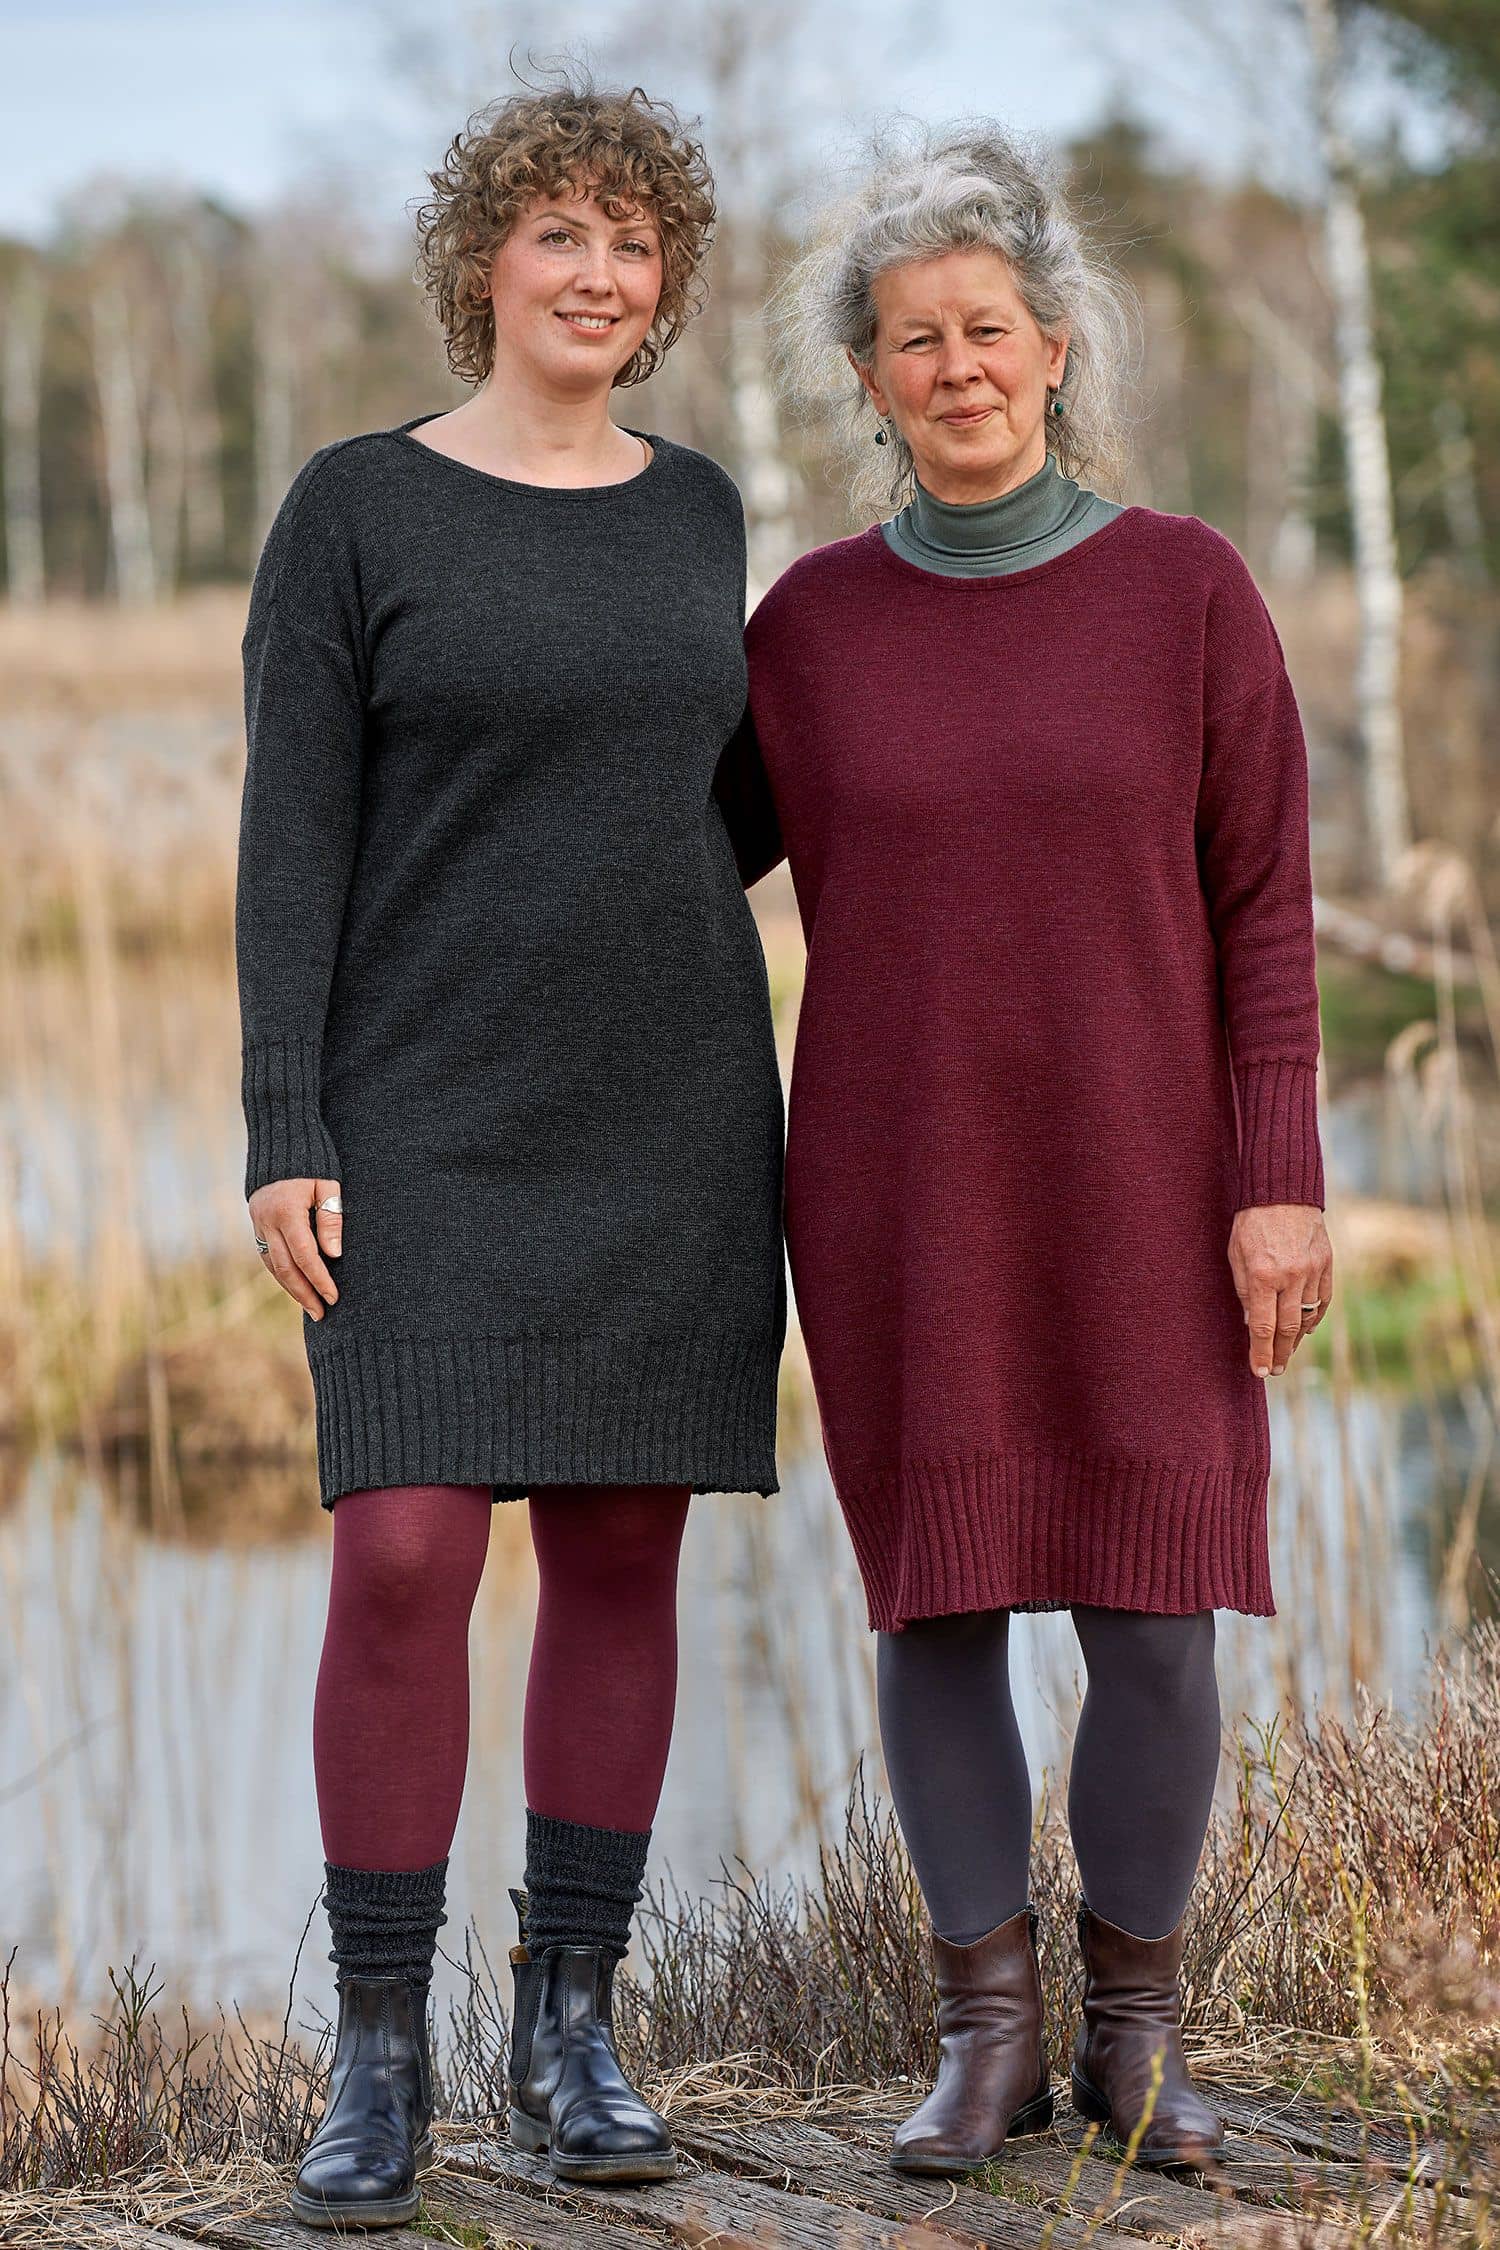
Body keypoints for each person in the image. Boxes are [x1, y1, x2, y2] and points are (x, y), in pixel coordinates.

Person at [713, 120, 1334, 2176]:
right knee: (942, 1610)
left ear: (1057, 347)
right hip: (901, 1195)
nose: (957, 365)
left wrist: (1277, 1177)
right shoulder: (803, 632)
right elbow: (653, 881)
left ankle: (1136, 2042)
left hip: (1154, 1191)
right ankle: (986, 2037)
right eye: (913, 340)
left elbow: (1263, 911)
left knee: (1157, 1617)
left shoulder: (1188, 594)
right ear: (869, 378)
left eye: (989, 328)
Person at [235, 71, 786, 2228]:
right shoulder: (357, 508)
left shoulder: (702, 513)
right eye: (558, 232)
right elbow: (295, 834)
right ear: (484, 261)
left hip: (665, 1109)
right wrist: (288, 1111)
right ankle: (380, 2054)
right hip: (423, 1113)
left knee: (627, 1558)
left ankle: (575, 2030)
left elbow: (728, 799)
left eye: (633, 242)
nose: (597, 271)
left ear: (666, 287)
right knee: (400, 1557)